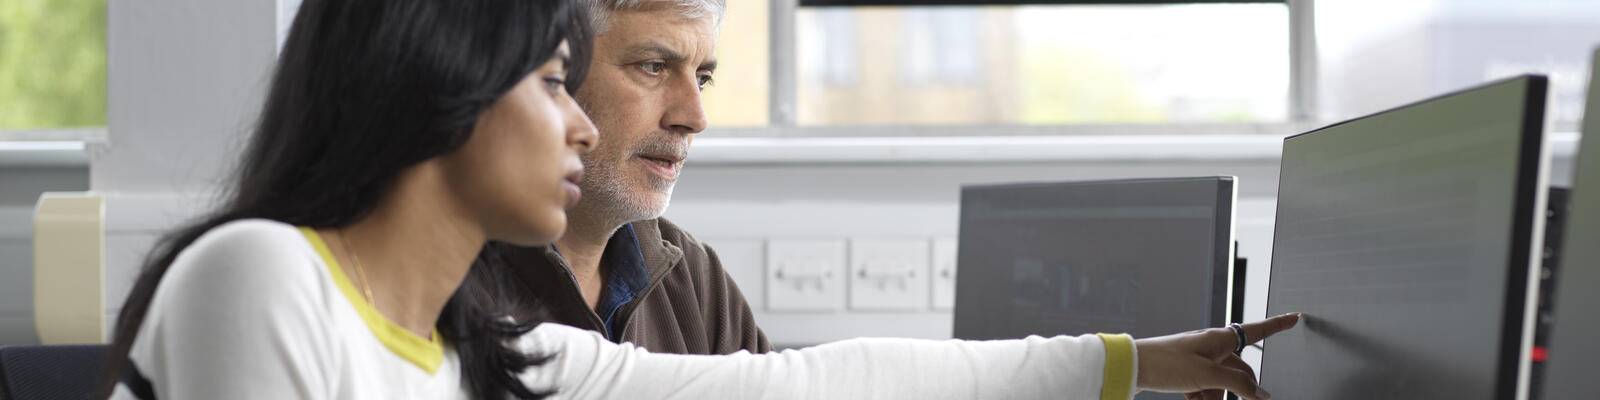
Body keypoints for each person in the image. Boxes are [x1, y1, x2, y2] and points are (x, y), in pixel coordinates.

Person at [98, 0, 1299, 399]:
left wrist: (1142, 360)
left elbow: (804, 381)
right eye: (554, 81)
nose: (576, 123)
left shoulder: (480, 357)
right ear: (443, 85)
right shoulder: (259, 275)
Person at [497, 0, 767, 355]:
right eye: (654, 67)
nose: (695, 118)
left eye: (702, 79)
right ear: (553, 75)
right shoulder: (452, 275)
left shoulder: (693, 276)